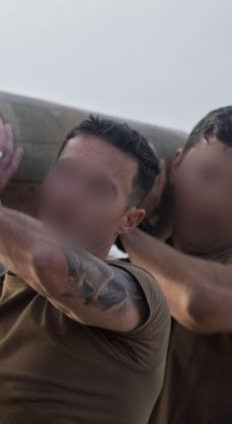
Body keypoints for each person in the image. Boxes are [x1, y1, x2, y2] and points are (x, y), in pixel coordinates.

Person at [0, 116, 171, 424]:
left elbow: (49, 260)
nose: (69, 196)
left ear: (129, 220)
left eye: (98, 189)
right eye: (65, 173)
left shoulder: (141, 293)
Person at [118, 106, 232, 424]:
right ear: (178, 164)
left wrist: (128, 228)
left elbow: (199, 300)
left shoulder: (134, 244)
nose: (216, 199)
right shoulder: (127, 266)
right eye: (207, 174)